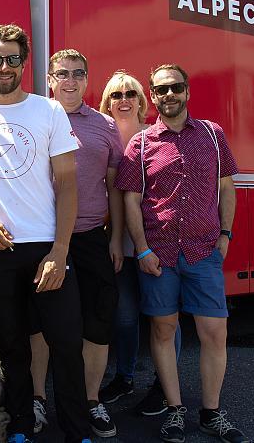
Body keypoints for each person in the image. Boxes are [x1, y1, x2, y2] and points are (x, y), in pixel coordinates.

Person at [0, 24, 91, 443]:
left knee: (65, 345)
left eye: (12, 58)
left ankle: (77, 431)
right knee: (11, 349)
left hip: (47, 248)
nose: (4, 66)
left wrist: (60, 251)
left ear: (24, 62)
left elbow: (67, 184)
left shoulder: (49, 111)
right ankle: (22, 427)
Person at [115, 64, 250, 443]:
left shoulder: (212, 133)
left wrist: (225, 234)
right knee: (163, 330)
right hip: (158, 255)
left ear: (186, 90)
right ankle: (174, 410)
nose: (168, 95)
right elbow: (131, 198)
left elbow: (227, 187)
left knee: (214, 334)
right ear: (153, 97)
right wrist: (141, 250)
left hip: (203, 250)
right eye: (160, 90)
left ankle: (211, 413)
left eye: (175, 87)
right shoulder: (140, 144)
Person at [30, 49, 123, 438]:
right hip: (42, 236)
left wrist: (117, 237)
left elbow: (116, 187)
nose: (70, 80)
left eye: (78, 74)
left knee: (97, 322)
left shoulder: (104, 125)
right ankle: (37, 400)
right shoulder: (32, 117)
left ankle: (91, 400)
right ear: (50, 79)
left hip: (89, 238)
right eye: (62, 74)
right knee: (39, 323)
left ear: (87, 79)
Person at [98, 71, 182, 416]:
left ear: (141, 100)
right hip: (115, 245)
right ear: (107, 102)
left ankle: (166, 386)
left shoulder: (153, 138)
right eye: (115, 94)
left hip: (153, 244)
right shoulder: (99, 137)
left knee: (165, 319)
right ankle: (125, 377)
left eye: (130, 93)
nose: (123, 99)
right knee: (125, 317)